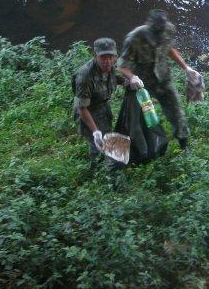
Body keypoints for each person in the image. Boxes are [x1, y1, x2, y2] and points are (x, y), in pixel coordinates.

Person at [116, 9, 201, 150]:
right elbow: (121, 66)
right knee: (138, 118)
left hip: (163, 79)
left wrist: (186, 68)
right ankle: (141, 148)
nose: (157, 37)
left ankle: (183, 144)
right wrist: (132, 77)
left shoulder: (168, 29)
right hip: (141, 84)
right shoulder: (134, 37)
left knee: (176, 112)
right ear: (147, 24)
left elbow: (170, 49)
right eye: (155, 33)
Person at [73, 37, 139, 169]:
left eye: (110, 57)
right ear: (95, 56)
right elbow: (82, 108)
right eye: (103, 57)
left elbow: (117, 78)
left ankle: (107, 158)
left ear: (115, 56)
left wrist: (129, 81)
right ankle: (95, 168)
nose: (107, 61)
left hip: (103, 106)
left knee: (108, 134)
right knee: (96, 142)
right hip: (88, 112)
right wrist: (95, 132)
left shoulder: (112, 66)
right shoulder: (85, 76)